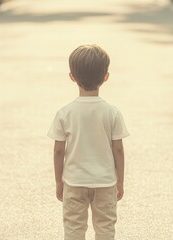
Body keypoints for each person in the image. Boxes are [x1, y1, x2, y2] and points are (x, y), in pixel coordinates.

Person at [47, 44, 130, 240]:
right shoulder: (112, 112)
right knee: (105, 229)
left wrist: (59, 181)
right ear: (106, 77)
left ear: (72, 77)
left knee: (74, 229)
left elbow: (59, 151)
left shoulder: (65, 113)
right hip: (105, 182)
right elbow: (118, 149)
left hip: (74, 182)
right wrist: (120, 180)